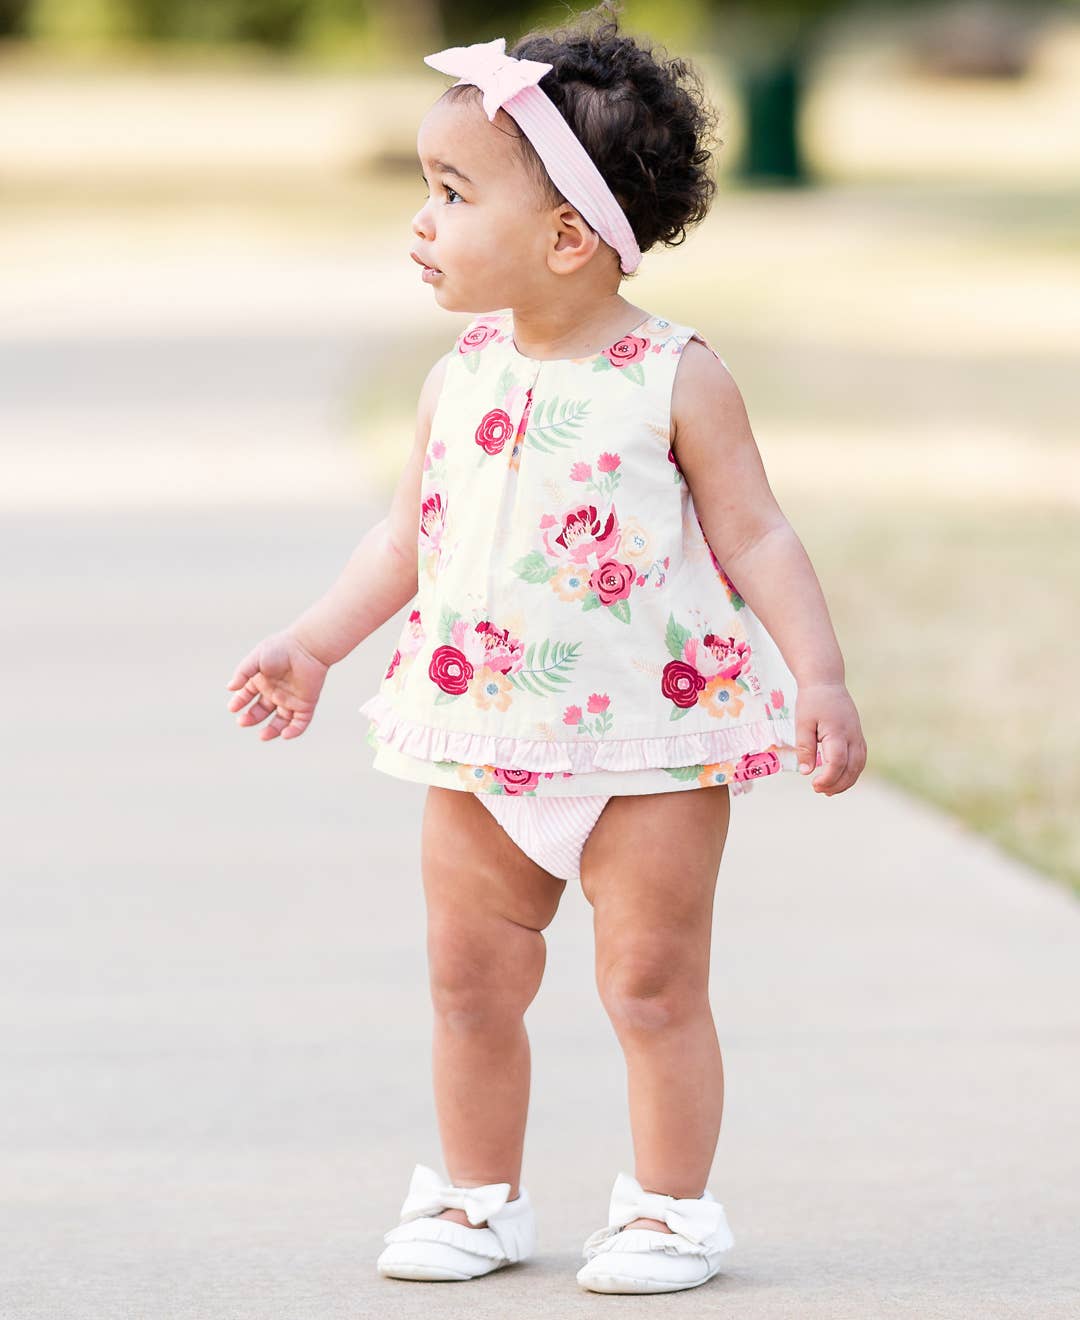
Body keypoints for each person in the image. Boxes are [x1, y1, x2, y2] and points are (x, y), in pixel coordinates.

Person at [225, 1, 867, 1297]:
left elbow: (757, 535)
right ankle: (476, 1199)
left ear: (570, 238)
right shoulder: (457, 375)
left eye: (453, 193)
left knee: (651, 986)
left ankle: (668, 1212)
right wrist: (314, 644)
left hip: (650, 746)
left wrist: (819, 675)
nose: (421, 220)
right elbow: (405, 540)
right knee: (469, 985)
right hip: (480, 739)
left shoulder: (673, 376)